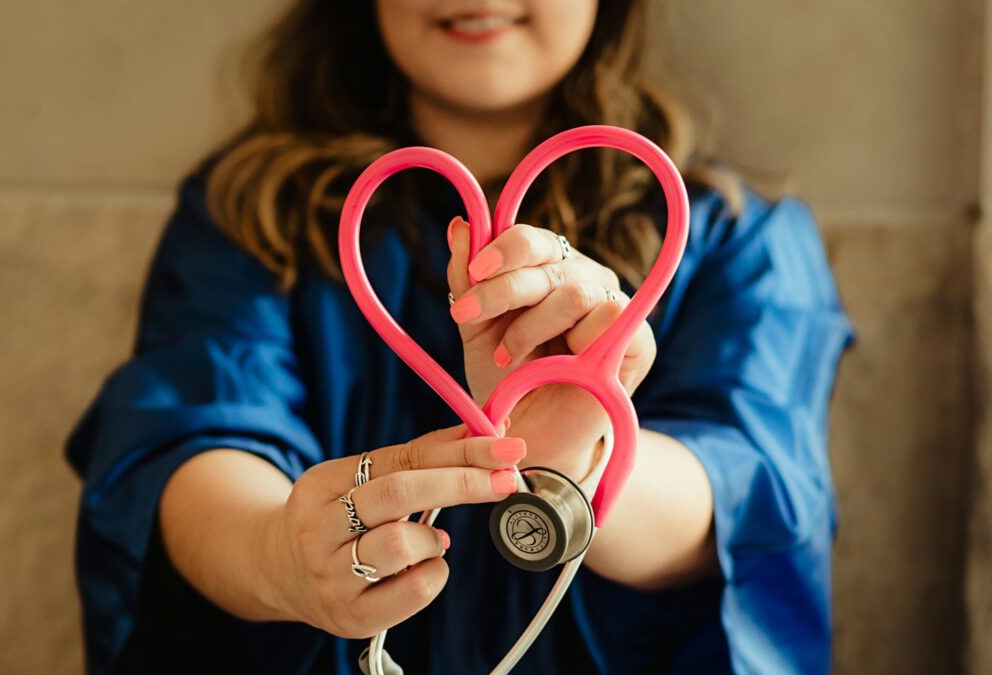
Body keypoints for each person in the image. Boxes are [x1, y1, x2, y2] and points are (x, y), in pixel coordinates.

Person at [65, 1, 856, 673]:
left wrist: (578, 459)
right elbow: (185, 438)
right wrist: (279, 556)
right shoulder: (244, 218)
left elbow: (750, 489)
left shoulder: (738, 241)